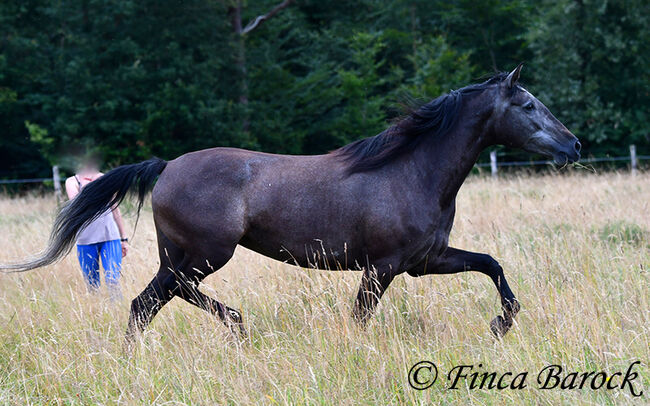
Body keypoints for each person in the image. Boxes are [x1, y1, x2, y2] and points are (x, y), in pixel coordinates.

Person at [65, 158, 129, 299]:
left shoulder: (105, 179)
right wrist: (89, 185)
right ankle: (97, 313)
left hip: (110, 238)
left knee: (113, 280)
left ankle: (118, 312)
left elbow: (116, 210)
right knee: (92, 285)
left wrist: (124, 239)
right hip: (86, 240)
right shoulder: (72, 182)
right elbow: (77, 204)